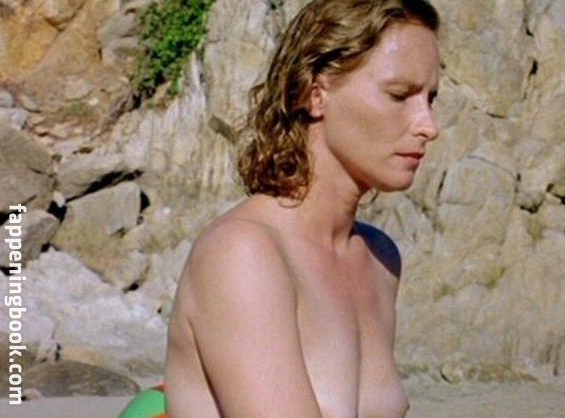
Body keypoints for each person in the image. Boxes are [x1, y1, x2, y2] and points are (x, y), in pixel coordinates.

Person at [144, 0, 441, 417]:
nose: (429, 125)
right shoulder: (243, 254)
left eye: (430, 98)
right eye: (399, 96)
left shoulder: (379, 260)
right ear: (315, 94)